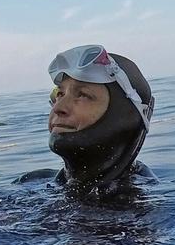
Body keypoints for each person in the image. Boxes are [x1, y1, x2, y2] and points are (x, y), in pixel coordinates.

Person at [17, 44, 155, 196]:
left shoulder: (137, 207)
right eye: (60, 94)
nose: (58, 107)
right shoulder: (31, 181)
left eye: (83, 95)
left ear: (123, 116)